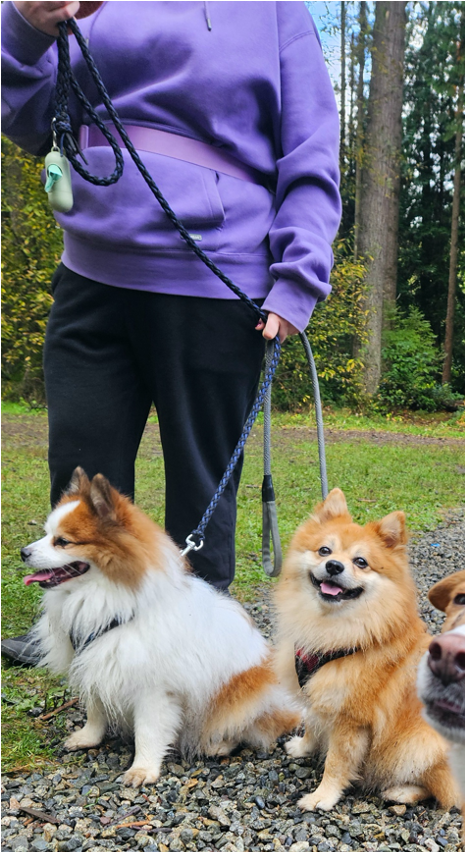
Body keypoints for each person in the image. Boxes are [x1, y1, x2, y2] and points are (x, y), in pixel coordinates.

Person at [0, 0, 341, 663]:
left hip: (218, 276)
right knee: (81, 474)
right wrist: (21, 25)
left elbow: (311, 145)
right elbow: (30, 115)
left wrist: (299, 274)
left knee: (203, 485)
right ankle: (83, 636)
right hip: (90, 271)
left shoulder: (274, 11)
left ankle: (197, 650)